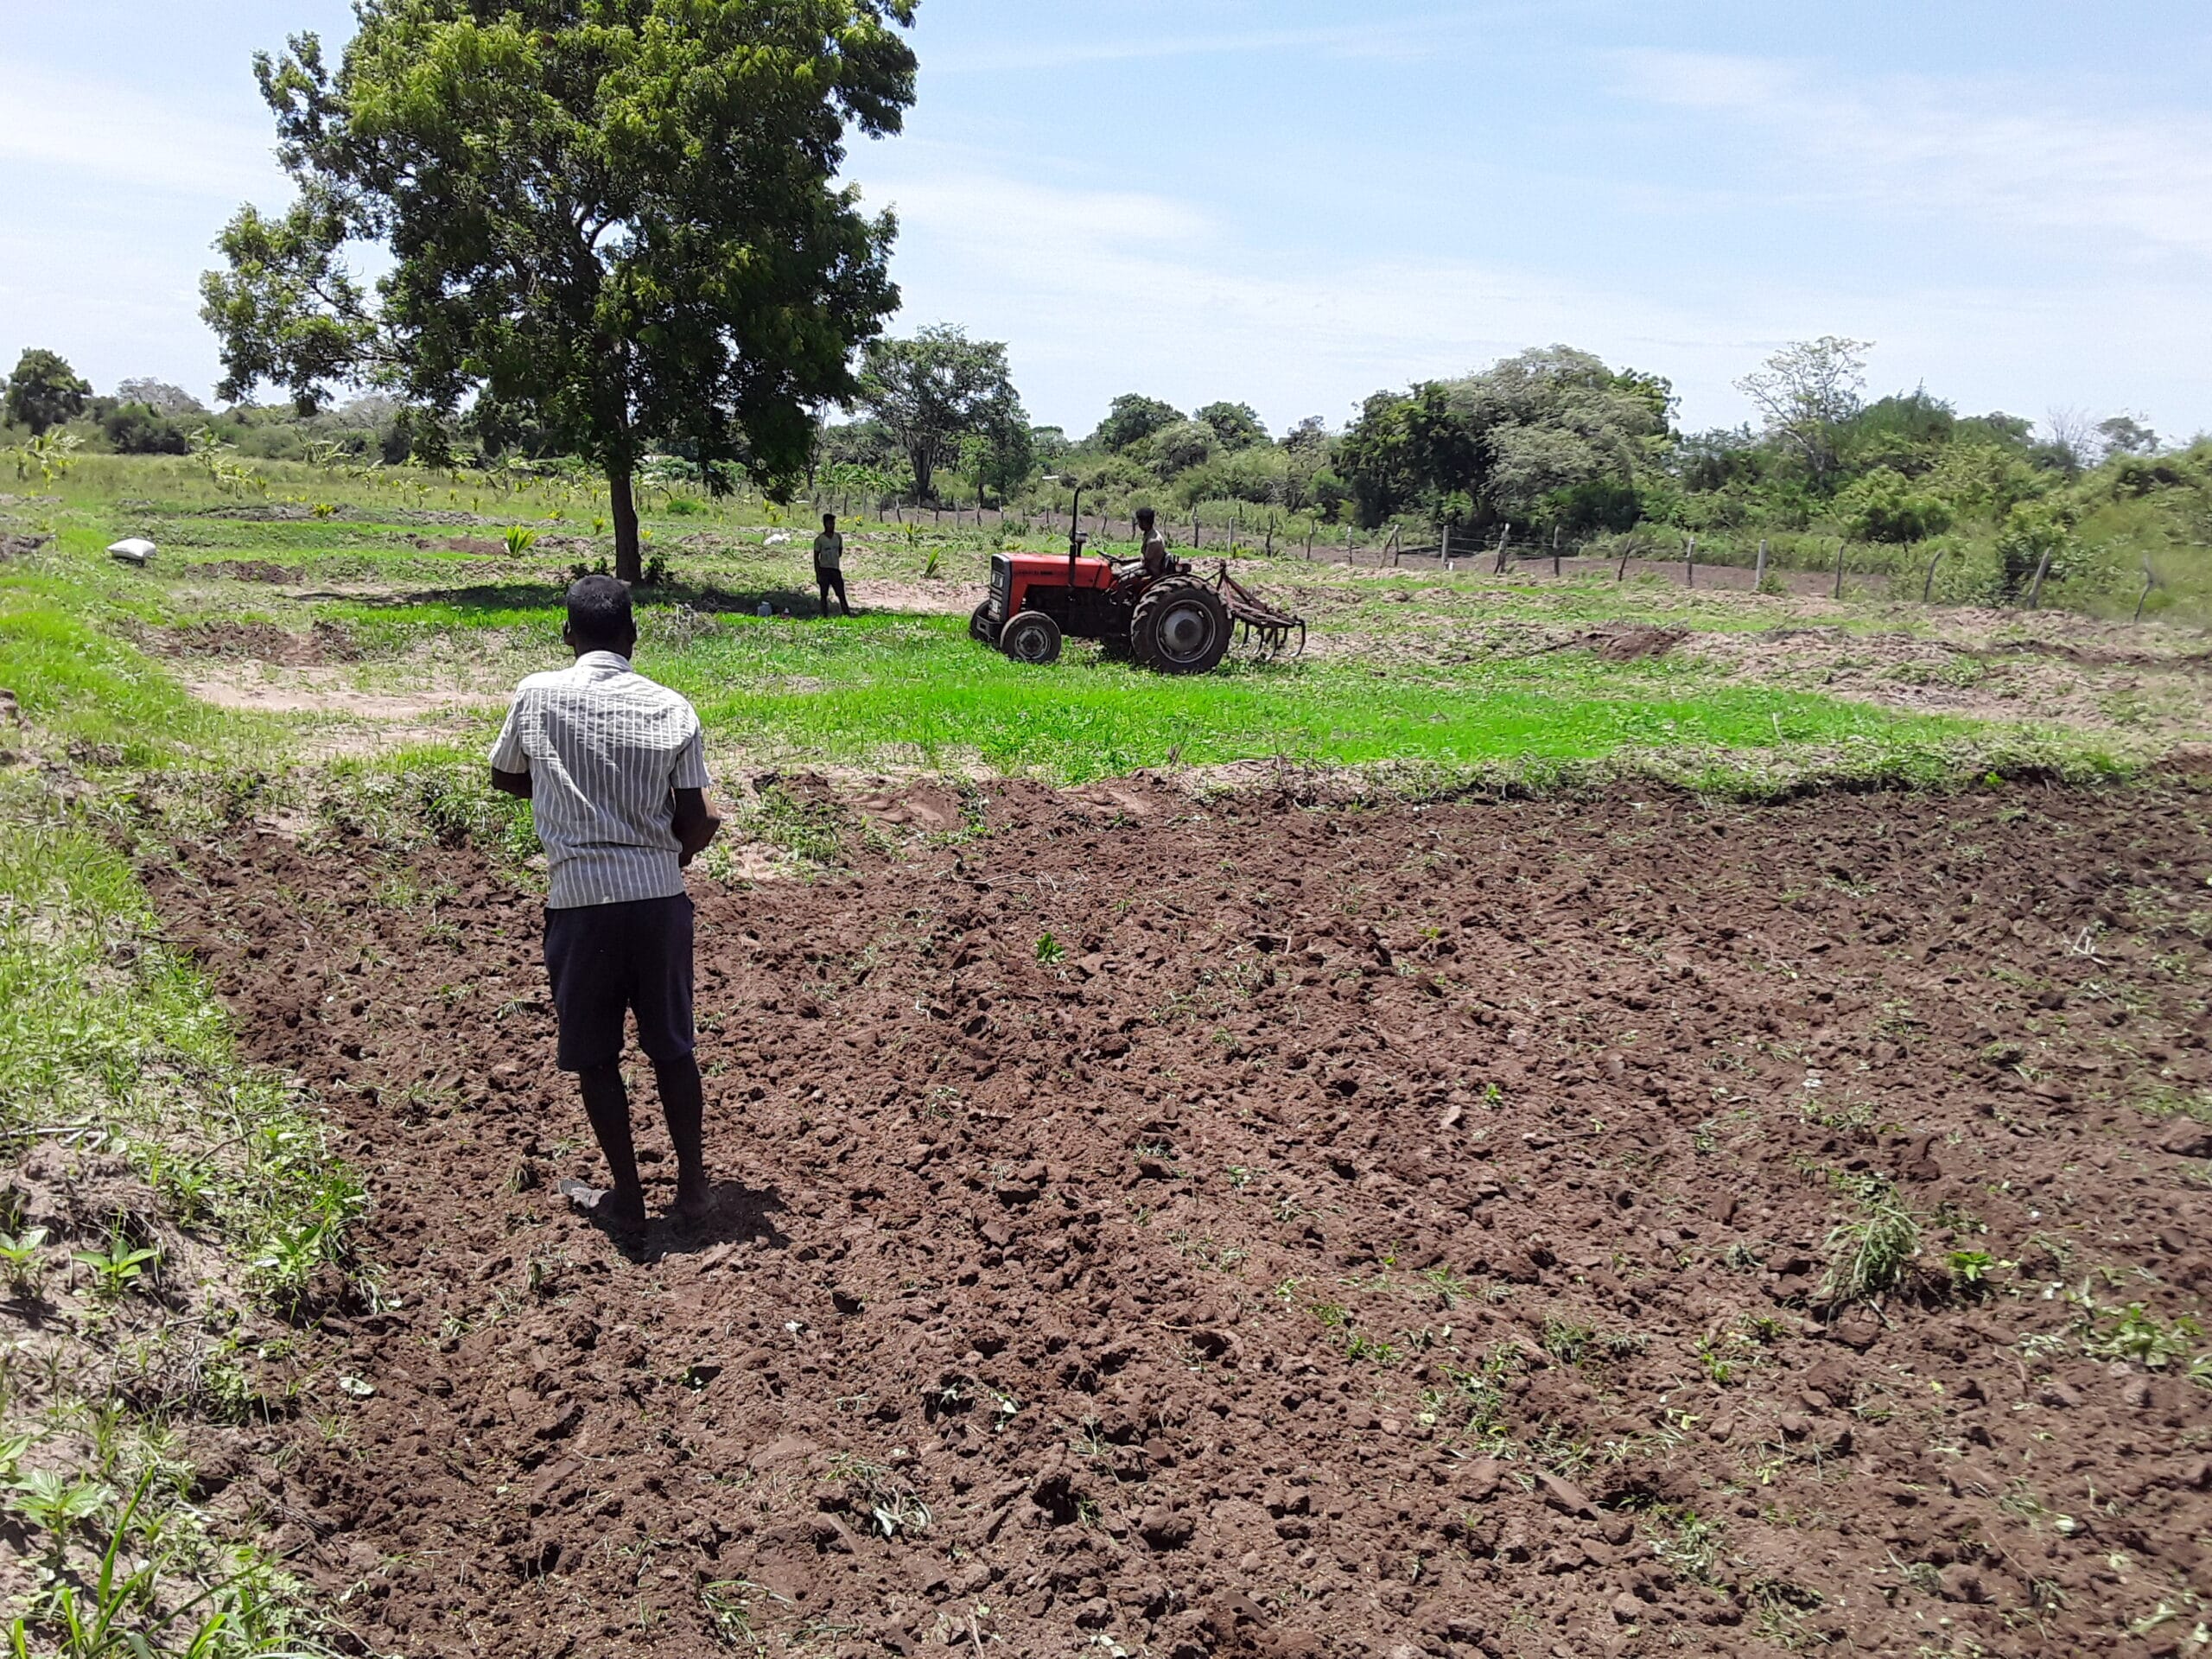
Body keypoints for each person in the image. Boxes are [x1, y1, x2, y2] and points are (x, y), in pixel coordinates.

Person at [489, 575, 722, 1232]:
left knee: (596, 1056)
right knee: (672, 1047)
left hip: (581, 901)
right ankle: (694, 1189)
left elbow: (506, 774)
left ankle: (627, 1196)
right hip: (659, 903)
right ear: (633, 637)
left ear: (568, 634)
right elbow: (698, 817)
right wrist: (664, 857)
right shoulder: (673, 707)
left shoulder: (536, 695)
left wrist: (567, 803)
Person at [813, 512, 851, 617]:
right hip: (824, 570)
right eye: (830, 523)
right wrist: (818, 573)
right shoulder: (819, 540)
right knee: (824, 595)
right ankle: (824, 615)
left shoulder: (838, 537)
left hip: (835, 569)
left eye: (833, 523)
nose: (832, 526)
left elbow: (840, 552)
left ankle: (847, 614)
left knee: (841, 594)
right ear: (825, 524)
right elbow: (816, 557)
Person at [1137, 505, 1169, 579]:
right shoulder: (1151, 533)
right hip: (1148, 566)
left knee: (1123, 579)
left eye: (1140, 522)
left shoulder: (1153, 541)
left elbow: (1146, 563)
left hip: (1152, 571)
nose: (1139, 524)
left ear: (1145, 522)